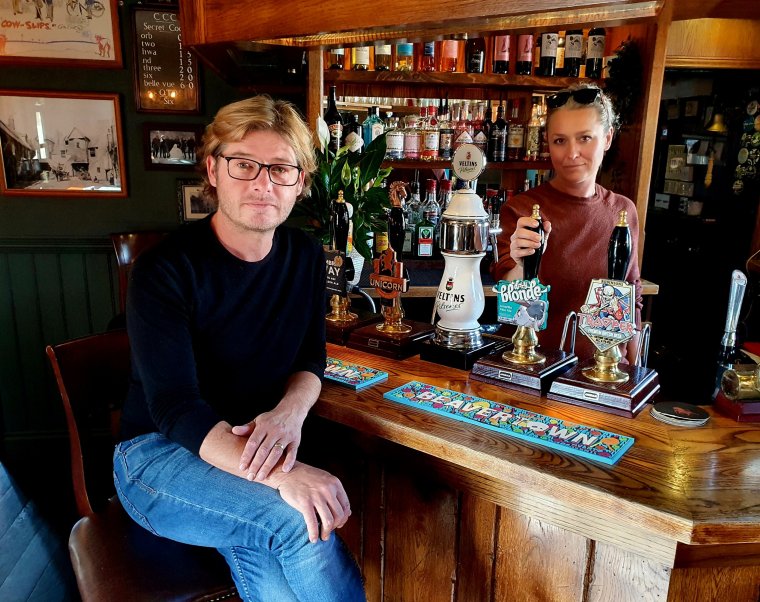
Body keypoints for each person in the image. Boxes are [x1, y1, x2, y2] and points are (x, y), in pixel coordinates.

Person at [114, 95, 366, 601]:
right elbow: (173, 408)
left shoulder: (305, 256)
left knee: (279, 565)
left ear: (301, 182)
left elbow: (309, 359)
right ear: (213, 169)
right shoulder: (165, 270)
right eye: (244, 164)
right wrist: (284, 474)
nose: (263, 183)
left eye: (281, 169)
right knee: (299, 521)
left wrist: (291, 414)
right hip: (157, 459)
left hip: (247, 454)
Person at [491, 83, 642, 361]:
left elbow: (631, 293)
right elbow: (509, 304)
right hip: (534, 368)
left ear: (607, 138)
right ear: (548, 142)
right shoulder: (523, 210)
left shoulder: (623, 211)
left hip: (602, 374)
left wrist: (634, 367)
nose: (571, 153)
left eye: (585, 138)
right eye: (560, 140)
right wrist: (522, 264)